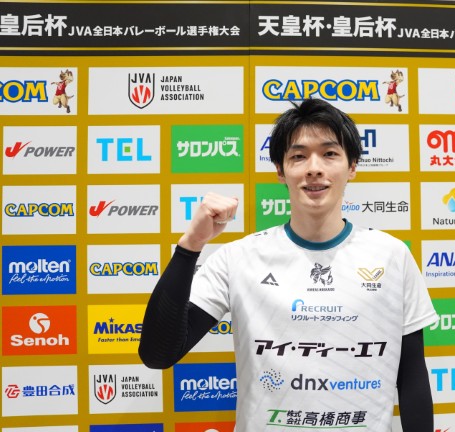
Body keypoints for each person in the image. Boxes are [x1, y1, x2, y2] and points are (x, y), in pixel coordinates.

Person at [139, 98, 438, 431]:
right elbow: (157, 354)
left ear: (352, 166)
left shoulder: (391, 255)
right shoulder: (238, 258)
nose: (314, 168)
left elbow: (412, 376)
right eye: (298, 156)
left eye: (330, 153)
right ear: (280, 171)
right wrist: (190, 247)